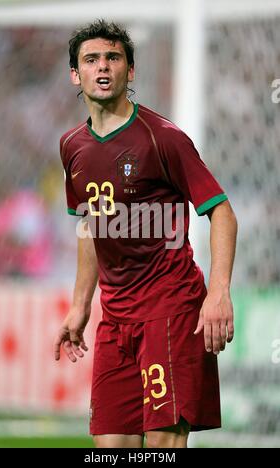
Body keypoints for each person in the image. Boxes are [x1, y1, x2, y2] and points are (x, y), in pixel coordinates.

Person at [54, 19, 238, 449]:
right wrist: (80, 305)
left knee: (162, 445)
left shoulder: (163, 138)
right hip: (115, 320)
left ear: (130, 71)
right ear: (75, 74)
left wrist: (219, 291)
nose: (103, 67)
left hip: (169, 311)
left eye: (113, 58)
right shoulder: (71, 146)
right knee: (110, 447)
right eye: (91, 59)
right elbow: (89, 224)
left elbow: (223, 213)